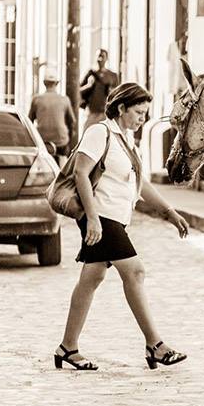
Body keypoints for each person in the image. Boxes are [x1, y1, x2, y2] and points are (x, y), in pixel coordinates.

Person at [54, 82, 191, 371]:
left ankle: (67, 347)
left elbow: (142, 184)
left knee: (91, 279)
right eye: (138, 112)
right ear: (121, 109)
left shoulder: (126, 141)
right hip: (101, 218)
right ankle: (155, 345)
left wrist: (169, 212)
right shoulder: (99, 132)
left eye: (145, 113)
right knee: (135, 271)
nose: (143, 118)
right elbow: (80, 173)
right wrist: (91, 218)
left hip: (115, 219)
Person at [28, 68, 75, 164]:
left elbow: (30, 121)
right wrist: (69, 139)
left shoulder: (36, 99)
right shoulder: (64, 99)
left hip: (42, 140)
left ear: (44, 83)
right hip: (61, 141)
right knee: (63, 160)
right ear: (56, 83)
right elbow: (72, 122)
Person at [79, 49, 120, 130]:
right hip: (91, 113)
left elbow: (118, 95)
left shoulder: (113, 76)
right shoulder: (90, 73)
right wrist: (88, 85)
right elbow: (78, 92)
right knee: (87, 136)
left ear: (106, 58)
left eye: (102, 56)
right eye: (98, 56)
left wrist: (111, 92)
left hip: (107, 114)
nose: (100, 59)